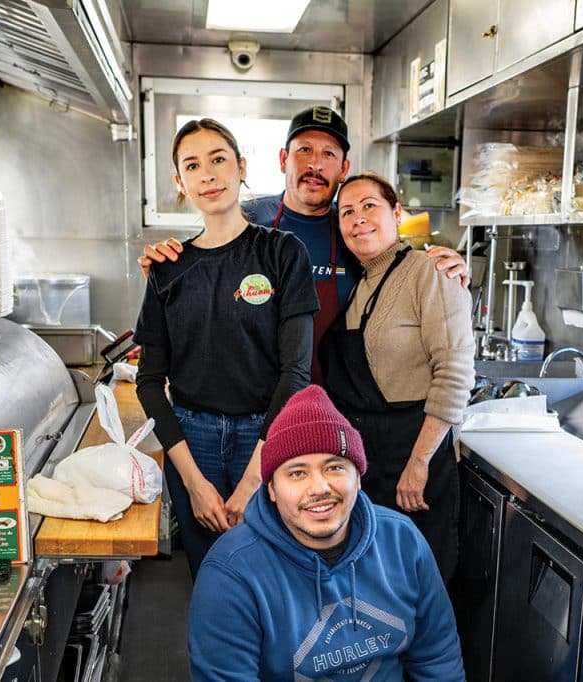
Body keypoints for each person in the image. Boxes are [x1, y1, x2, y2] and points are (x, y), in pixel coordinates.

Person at [138, 106, 470, 375]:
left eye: (328, 154)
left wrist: (444, 266)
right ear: (284, 159)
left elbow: (399, 272)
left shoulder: (356, 228)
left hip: (340, 399)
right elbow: (204, 278)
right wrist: (166, 267)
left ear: (344, 168)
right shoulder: (248, 219)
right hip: (257, 401)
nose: (314, 164)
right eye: (304, 151)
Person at [134, 118, 319, 580]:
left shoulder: (282, 252)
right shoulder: (168, 268)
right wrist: (193, 483)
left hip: (266, 435)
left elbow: (296, 373)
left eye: (218, 159)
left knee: (274, 578)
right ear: (181, 182)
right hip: (190, 441)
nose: (209, 175)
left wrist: (254, 477)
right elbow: (149, 382)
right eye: (192, 166)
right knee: (212, 577)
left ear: (241, 167)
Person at [188, 385, 465, 681]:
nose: (319, 488)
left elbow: (438, 661)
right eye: (297, 472)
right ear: (271, 489)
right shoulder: (231, 573)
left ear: (358, 477)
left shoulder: (403, 543)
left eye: (334, 467)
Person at [320, 172, 475, 585]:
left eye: (369, 205)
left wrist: (420, 462)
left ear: (397, 213)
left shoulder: (432, 272)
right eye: (347, 212)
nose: (358, 219)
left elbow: (455, 373)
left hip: (414, 452)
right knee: (375, 583)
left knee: (417, 582)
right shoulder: (360, 283)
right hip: (370, 459)